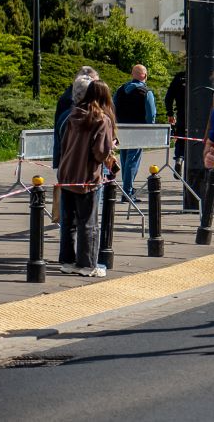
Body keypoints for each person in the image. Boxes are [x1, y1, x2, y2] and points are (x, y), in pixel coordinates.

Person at [57, 79, 118, 277]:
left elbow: (64, 143)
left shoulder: (73, 115)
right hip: (87, 176)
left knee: (69, 221)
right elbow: (99, 153)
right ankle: (87, 264)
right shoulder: (101, 119)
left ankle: (67, 261)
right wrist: (111, 147)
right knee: (89, 222)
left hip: (67, 174)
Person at [113, 64, 156, 202]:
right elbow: (151, 114)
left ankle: (127, 188)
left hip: (121, 129)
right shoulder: (146, 92)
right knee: (133, 159)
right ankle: (127, 191)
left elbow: (112, 108)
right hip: (138, 130)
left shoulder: (120, 90)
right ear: (144, 75)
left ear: (133, 74)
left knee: (125, 158)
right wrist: (150, 129)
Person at [164, 69, 187, 173]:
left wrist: (170, 113)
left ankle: (179, 158)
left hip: (182, 114)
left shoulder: (179, 77)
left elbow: (169, 97)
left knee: (181, 137)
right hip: (199, 114)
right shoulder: (201, 75)